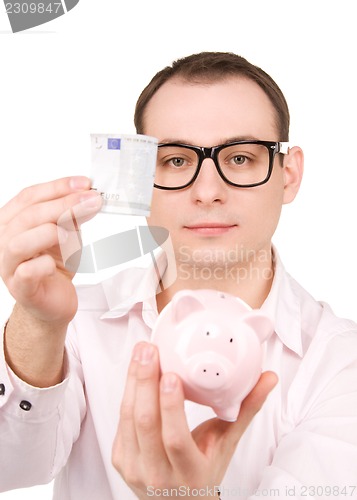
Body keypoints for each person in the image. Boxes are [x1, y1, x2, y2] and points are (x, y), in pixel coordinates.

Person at [0, 51, 356, 500]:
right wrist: (38, 323)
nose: (207, 192)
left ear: (288, 174)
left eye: (241, 159)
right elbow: (9, 469)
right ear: (139, 176)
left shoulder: (342, 363)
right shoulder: (76, 322)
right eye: (176, 161)